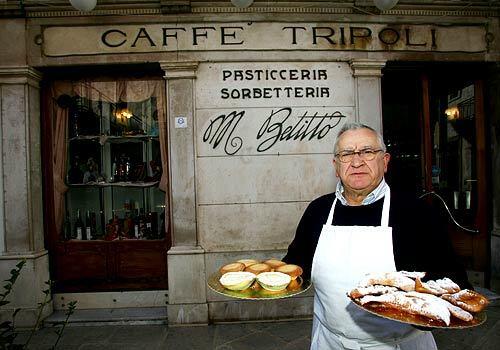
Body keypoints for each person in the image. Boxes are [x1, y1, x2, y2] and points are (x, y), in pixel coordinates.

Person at [283, 122, 470, 350]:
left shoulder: (417, 212)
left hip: (398, 345)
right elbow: (295, 266)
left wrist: (427, 314)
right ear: (336, 165)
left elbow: (454, 282)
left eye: (368, 151)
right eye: (347, 153)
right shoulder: (318, 210)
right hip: (329, 342)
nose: (357, 161)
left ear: (385, 161)